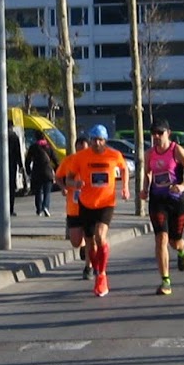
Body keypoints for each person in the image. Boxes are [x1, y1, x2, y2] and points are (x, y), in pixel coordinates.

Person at [57, 125, 130, 296]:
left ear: (105, 140)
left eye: (100, 140)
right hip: (86, 203)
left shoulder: (114, 155)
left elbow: (124, 168)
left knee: (100, 236)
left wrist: (125, 187)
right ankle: (94, 267)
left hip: (106, 202)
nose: (97, 143)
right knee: (89, 241)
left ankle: (102, 275)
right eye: (94, 140)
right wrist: (75, 184)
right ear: (90, 140)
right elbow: (67, 178)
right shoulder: (80, 157)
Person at [141, 119, 184, 295]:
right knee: (161, 239)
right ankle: (165, 280)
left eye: (160, 133)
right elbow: (147, 173)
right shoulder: (149, 154)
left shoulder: (177, 150)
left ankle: (182, 252)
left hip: (175, 200)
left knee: (175, 242)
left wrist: (182, 186)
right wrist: (145, 189)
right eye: (154, 134)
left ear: (168, 132)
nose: (157, 137)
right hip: (157, 201)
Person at [62, 134, 91, 277]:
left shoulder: (92, 162)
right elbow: (59, 177)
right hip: (73, 208)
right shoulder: (69, 161)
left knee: (90, 236)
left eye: (84, 150)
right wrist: (64, 187)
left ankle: (88, 268)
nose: (81, 153)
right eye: (79, 150)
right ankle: (83, 247)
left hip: (90, 206)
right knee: (75, 242)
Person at [25, 134, 57, 218]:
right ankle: (45, 207)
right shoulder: (49, 147)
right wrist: (57, 172)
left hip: (36, 172)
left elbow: (28, 160)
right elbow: (55, 160)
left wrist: (28, 171)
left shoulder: (33, 147)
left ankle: (39, 210)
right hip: (47, 172)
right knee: (47, 192)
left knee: (38, 192)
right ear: (45, 138)